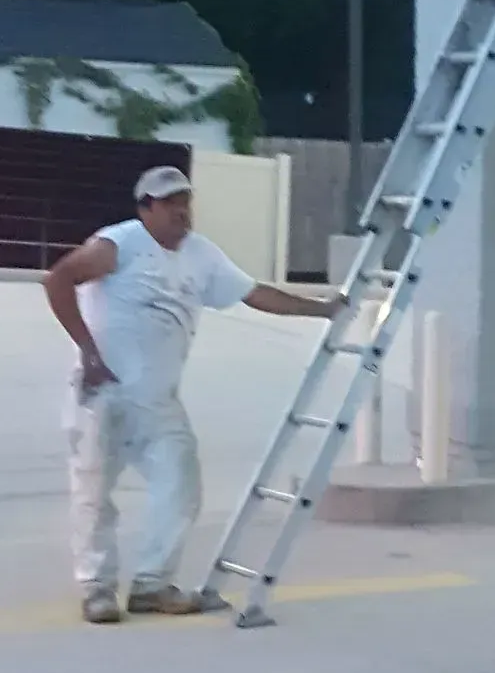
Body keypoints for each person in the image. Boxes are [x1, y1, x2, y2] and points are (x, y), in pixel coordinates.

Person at [44, 165, 342, 625]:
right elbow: (59, 279)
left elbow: (254, 294)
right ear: (145, 208)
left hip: (159, 400)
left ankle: (151, 584)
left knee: (180, 487)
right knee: (94, 490)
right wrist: (88, 353)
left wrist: (321, 310)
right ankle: (97, 588)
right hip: (104, 394)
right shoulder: (118, 244)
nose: (181, 210)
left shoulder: (201, 255)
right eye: (168, 202)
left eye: (185, 200)